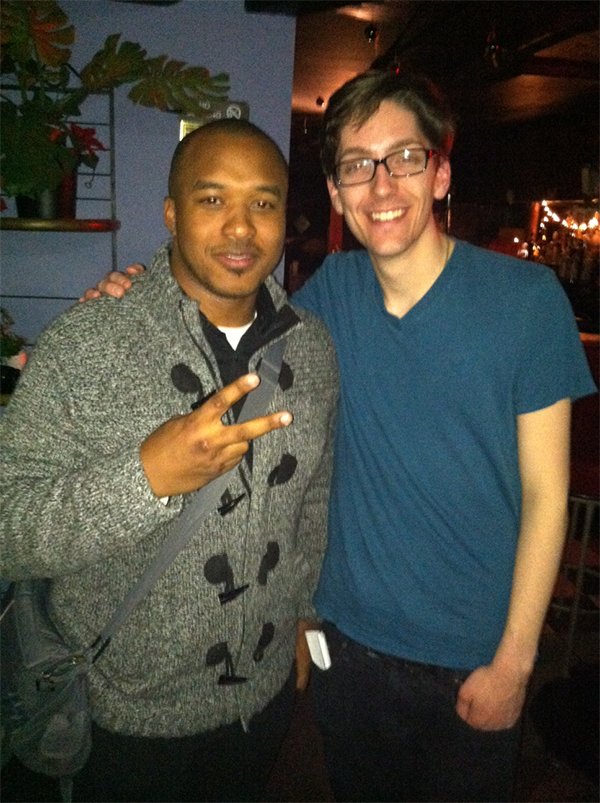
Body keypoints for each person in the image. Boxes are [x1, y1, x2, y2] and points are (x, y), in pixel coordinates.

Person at [81, 71, 596, 803]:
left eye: (405, 158)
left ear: (441, 171)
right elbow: (215, 299)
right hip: (344, 647)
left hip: (472, 654)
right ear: (335, 192)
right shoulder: (323, 301)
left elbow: (549, 496)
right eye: (358, 165)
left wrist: (515, 662)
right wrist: (131, 292)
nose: (382, 185)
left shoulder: (525, 301)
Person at [0, 119, 338, 803]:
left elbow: (312, 501)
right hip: (124, 723)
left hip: (261, 708)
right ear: (172, 213)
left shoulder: (314, 352)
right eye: (213, 200)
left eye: (264, 202)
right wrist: (144, 479)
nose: (241, 228)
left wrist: (303, 616)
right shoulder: (89, 343)